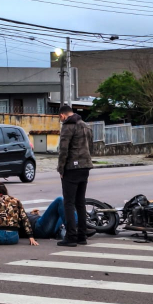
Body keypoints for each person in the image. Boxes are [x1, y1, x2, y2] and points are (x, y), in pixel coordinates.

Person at [57, 105, 94, 247]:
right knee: (80, 202)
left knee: (69, 203)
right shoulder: (85, 125)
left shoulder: (68, 126)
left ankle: (71, 236)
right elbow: (91, 147)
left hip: (72, 168)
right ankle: (82, 236)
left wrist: (61, 169)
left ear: (62, 115)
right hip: (85, 166)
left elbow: (63, 150)